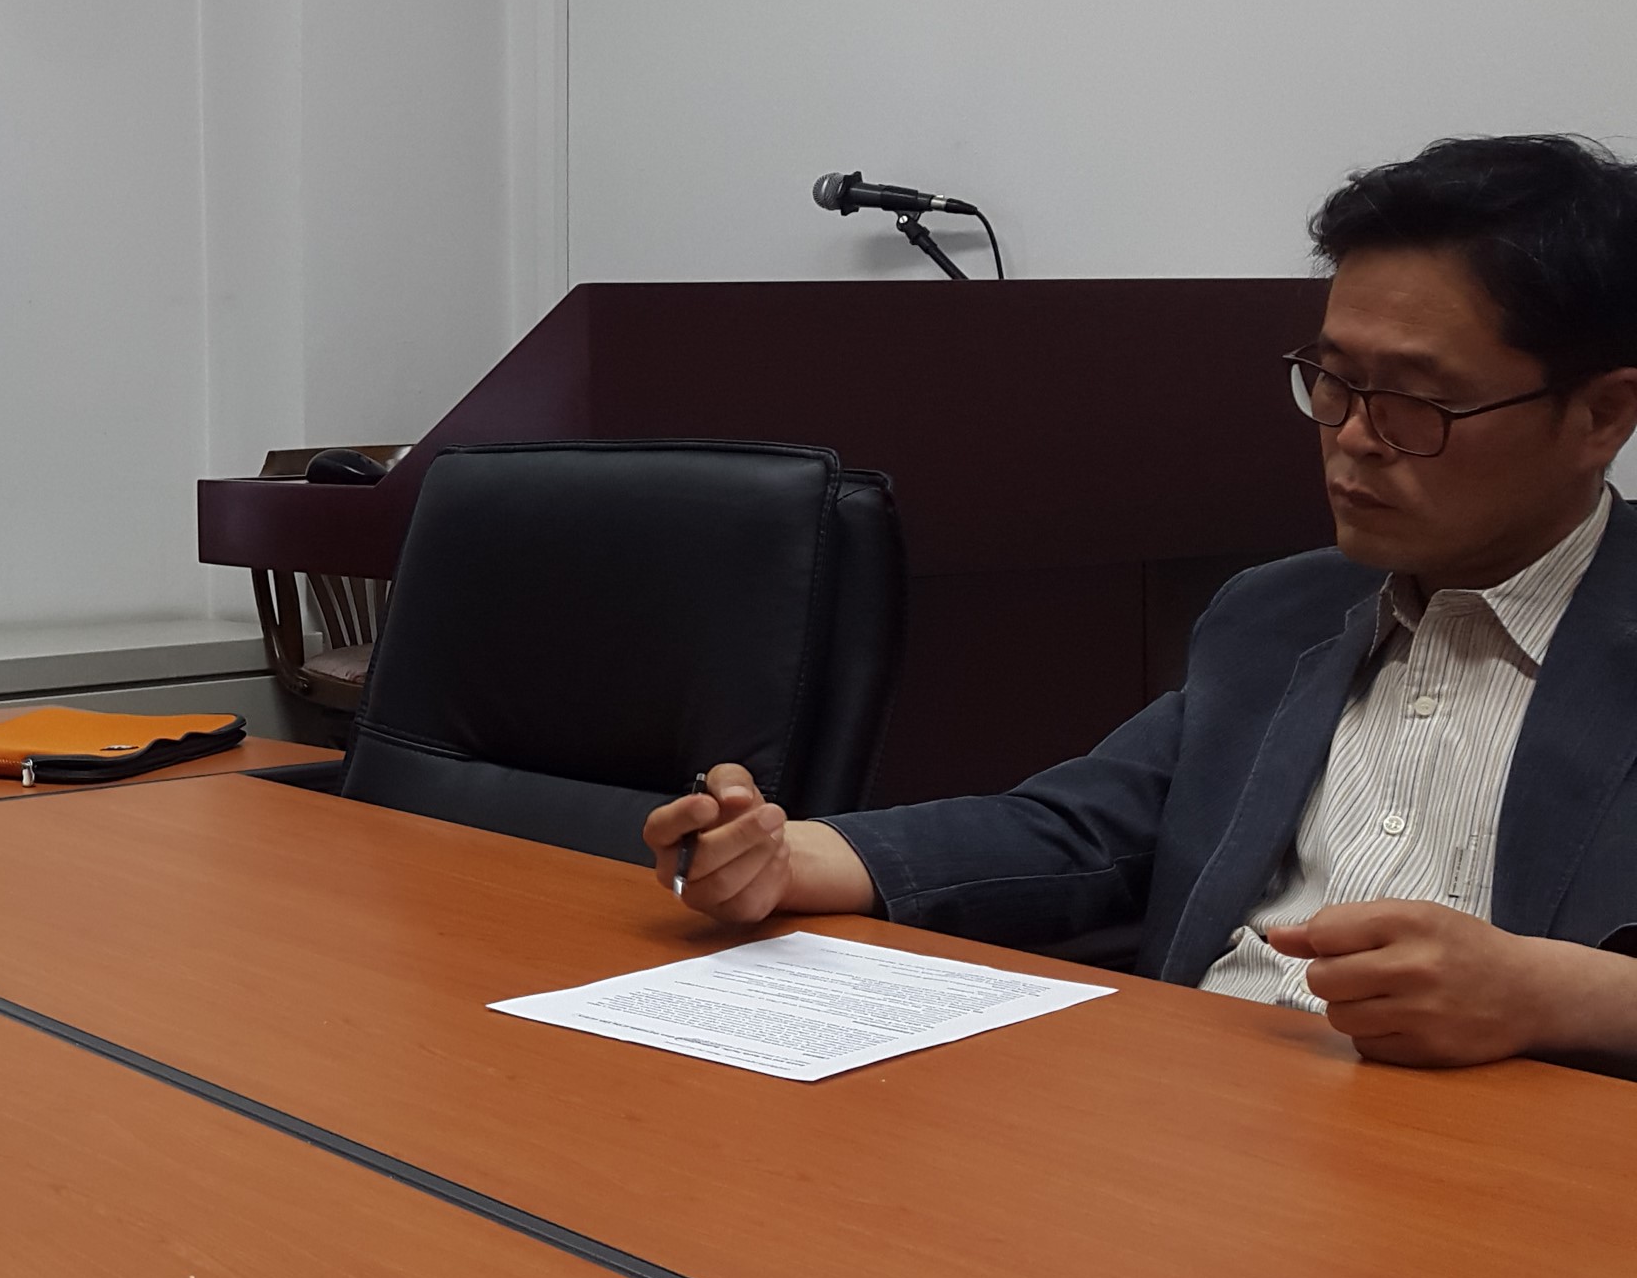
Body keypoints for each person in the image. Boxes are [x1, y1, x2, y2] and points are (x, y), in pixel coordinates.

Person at [648, 135, 1637, 1072]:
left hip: (1502, 1158)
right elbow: (1084, 831)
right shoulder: (1279, 613)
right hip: (1198, 1104)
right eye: (1334, 381)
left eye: (1418, 401)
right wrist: (791, 855)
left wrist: (1558, 996)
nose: (1353, 438)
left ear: (1601, 414)